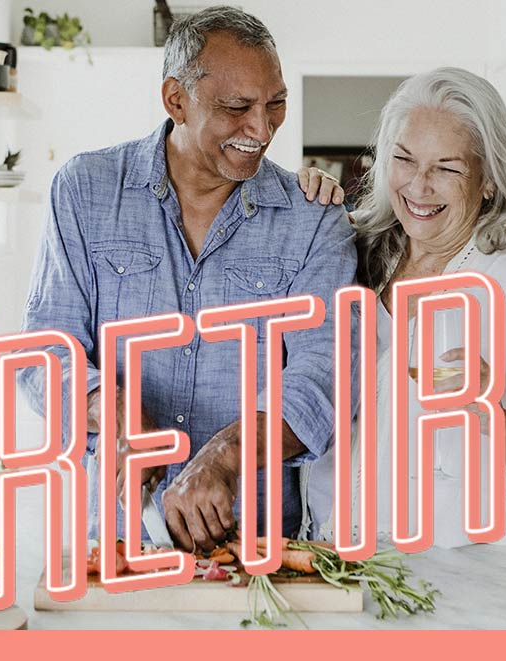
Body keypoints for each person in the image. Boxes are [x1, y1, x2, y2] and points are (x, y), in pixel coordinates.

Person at [18, 6, 356, 552]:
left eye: (276, 104)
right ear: (176, 100)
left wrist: (226, 456)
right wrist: (113, 407)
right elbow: (41, 350)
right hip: (116, 543)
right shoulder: (85, 191)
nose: (262, 129)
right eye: (236, 108)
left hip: (259, 548)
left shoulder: (314, 218)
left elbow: (327, 376)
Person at [299, 67, 506, 548]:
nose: (419, 186)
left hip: (455, 577)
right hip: (331, 550)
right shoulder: (353, 252)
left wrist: (487, 407)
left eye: (447, 168)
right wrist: (298, 201)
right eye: (404, 160)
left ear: (488, 180)